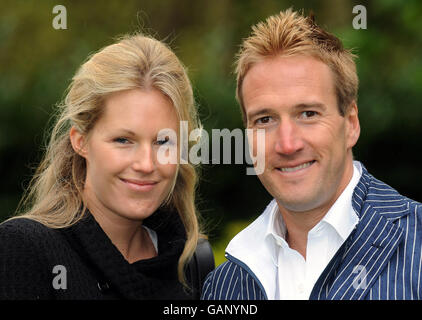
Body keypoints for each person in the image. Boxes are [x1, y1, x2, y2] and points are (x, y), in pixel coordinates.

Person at [202, 9, 422, 300]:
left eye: (308, 113)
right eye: (265, 120)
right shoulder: (223, 286)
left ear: (351, 124)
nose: (287, 144)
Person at [0, 33, 205, 299]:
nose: (146, 163)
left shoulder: (190, 264)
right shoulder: (23, 251)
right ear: (81, 141)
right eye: (123, 140)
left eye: (163, 141)